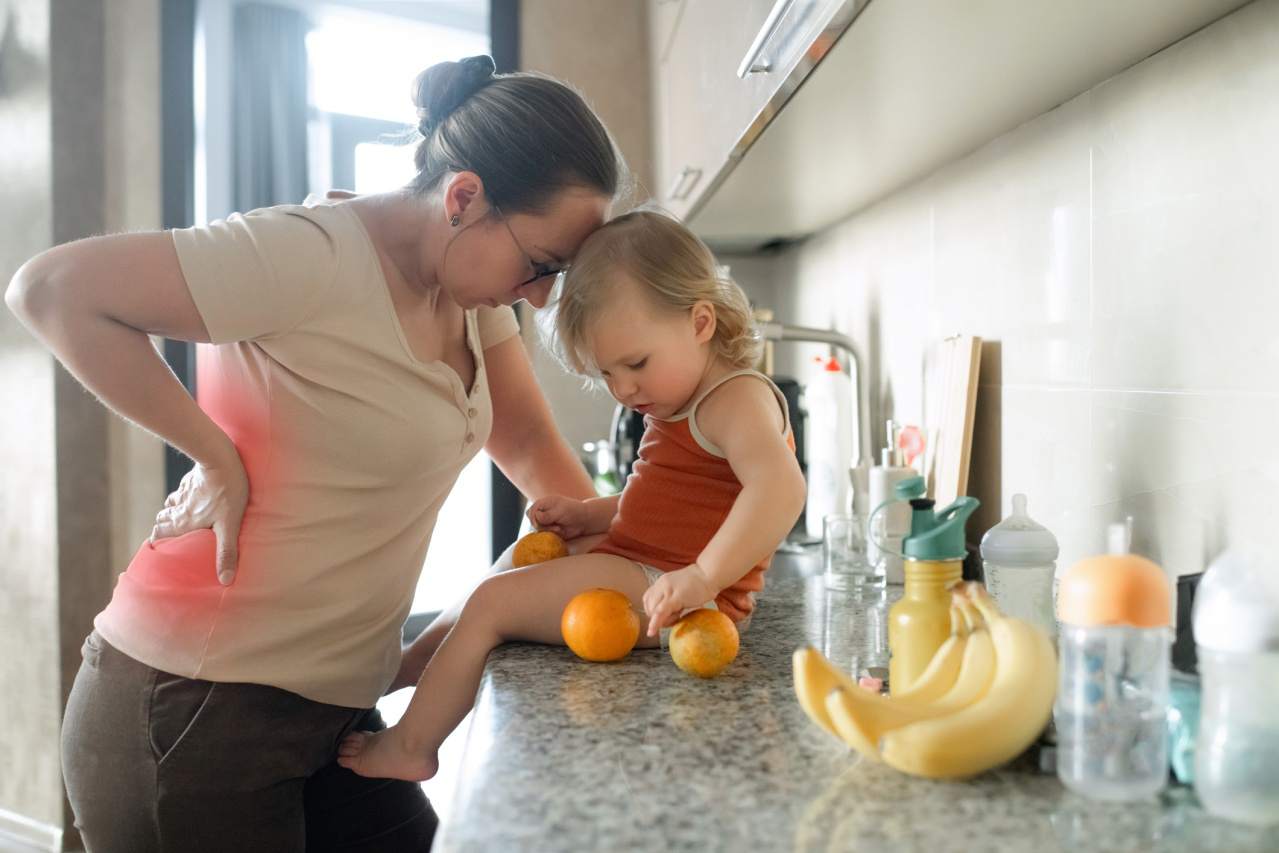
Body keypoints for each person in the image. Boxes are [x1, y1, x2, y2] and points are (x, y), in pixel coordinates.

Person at [5, 55, 625, 852]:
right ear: (463, 197)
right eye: (538, 265)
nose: (539, 293)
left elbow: (533, 447)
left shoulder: (468, 295)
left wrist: (631, 555)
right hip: (193, 709)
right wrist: (211, 452)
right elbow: (52, 289)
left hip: (334, 709)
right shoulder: (310, 253)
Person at [334, 210, 808, 783]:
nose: (625, 388)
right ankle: (417, 665)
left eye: (635, 364)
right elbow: (664, 498)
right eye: (607, 373)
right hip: (649, 569)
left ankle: (413, 745)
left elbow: (781, 488)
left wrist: (704, 577)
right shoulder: (676, 397)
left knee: (492, 607)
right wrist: (589, 514)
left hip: (682, 603)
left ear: (701, 322)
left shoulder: (735, 399)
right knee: (512, 564)